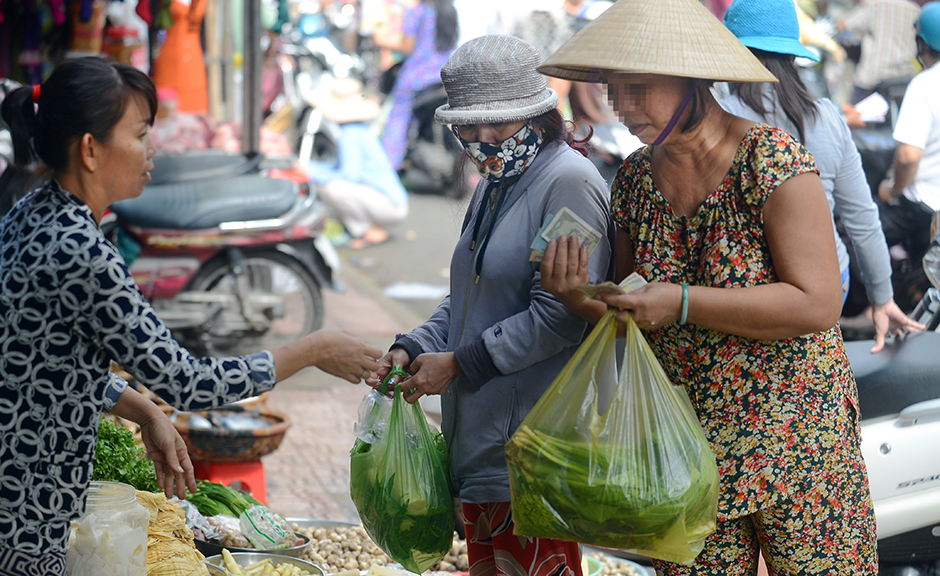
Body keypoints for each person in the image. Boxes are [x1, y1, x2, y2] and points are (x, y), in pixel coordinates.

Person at [0, 57, 382, 574]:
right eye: (139, 134)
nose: (152, 148)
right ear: (90, 149)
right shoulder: (82, 251)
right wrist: (313, 349)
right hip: (9, 505)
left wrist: (145, 411)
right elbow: (188, 382)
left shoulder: (31, 212)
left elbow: (35, 360)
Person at [537, 0, 878, 572]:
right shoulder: (635, 181)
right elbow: (633, 312)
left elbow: (818, 302)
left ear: (693, 79)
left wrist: (683, 302)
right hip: (684, 445)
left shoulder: (771, 160)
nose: (623, 106)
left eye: (638, 87)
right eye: (614, 89)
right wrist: (577, 296)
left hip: (796, 437)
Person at [368, 34, 613, 576]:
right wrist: (414, 345)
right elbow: (469, 296)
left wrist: (460, 362)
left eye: (496, 125)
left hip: (532, 450)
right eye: (468, 128)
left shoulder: (568, 183)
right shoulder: (495, 182)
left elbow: (561, 316)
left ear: (538, 115)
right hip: (482, 443)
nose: (481, 139)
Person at [718, 0, 923, 352]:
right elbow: (862, 218)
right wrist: (882, 297)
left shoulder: (716, 114)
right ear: (791, 55)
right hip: (826, 284)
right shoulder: (826, 117)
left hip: (740, 292)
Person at [304, 77, 409, 248]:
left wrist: (309, 171)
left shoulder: (349, 135)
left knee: (331, 187)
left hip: (391, 206)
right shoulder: (358, 130)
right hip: (391, 202)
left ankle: (365, 230)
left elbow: (349, 175)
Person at [878, 2, 940, 274]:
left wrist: (892, 190)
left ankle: (875, 297)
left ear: (922, 42)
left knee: (855, 238)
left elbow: (907, 157)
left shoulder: (925, 84)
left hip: (922, 206)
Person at [376, 0, 458, 170]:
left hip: (416, 76)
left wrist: (381, 40)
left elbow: (407, 47)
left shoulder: (418, 12)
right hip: (442, 75)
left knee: (398, 117)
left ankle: (388, 165)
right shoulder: (449, 12)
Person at [839, 0, 921, 104]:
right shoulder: (915, 10)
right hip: (904, 78)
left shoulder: (875, 4)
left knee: (852, 112)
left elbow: (845, 25)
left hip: (873, 78)